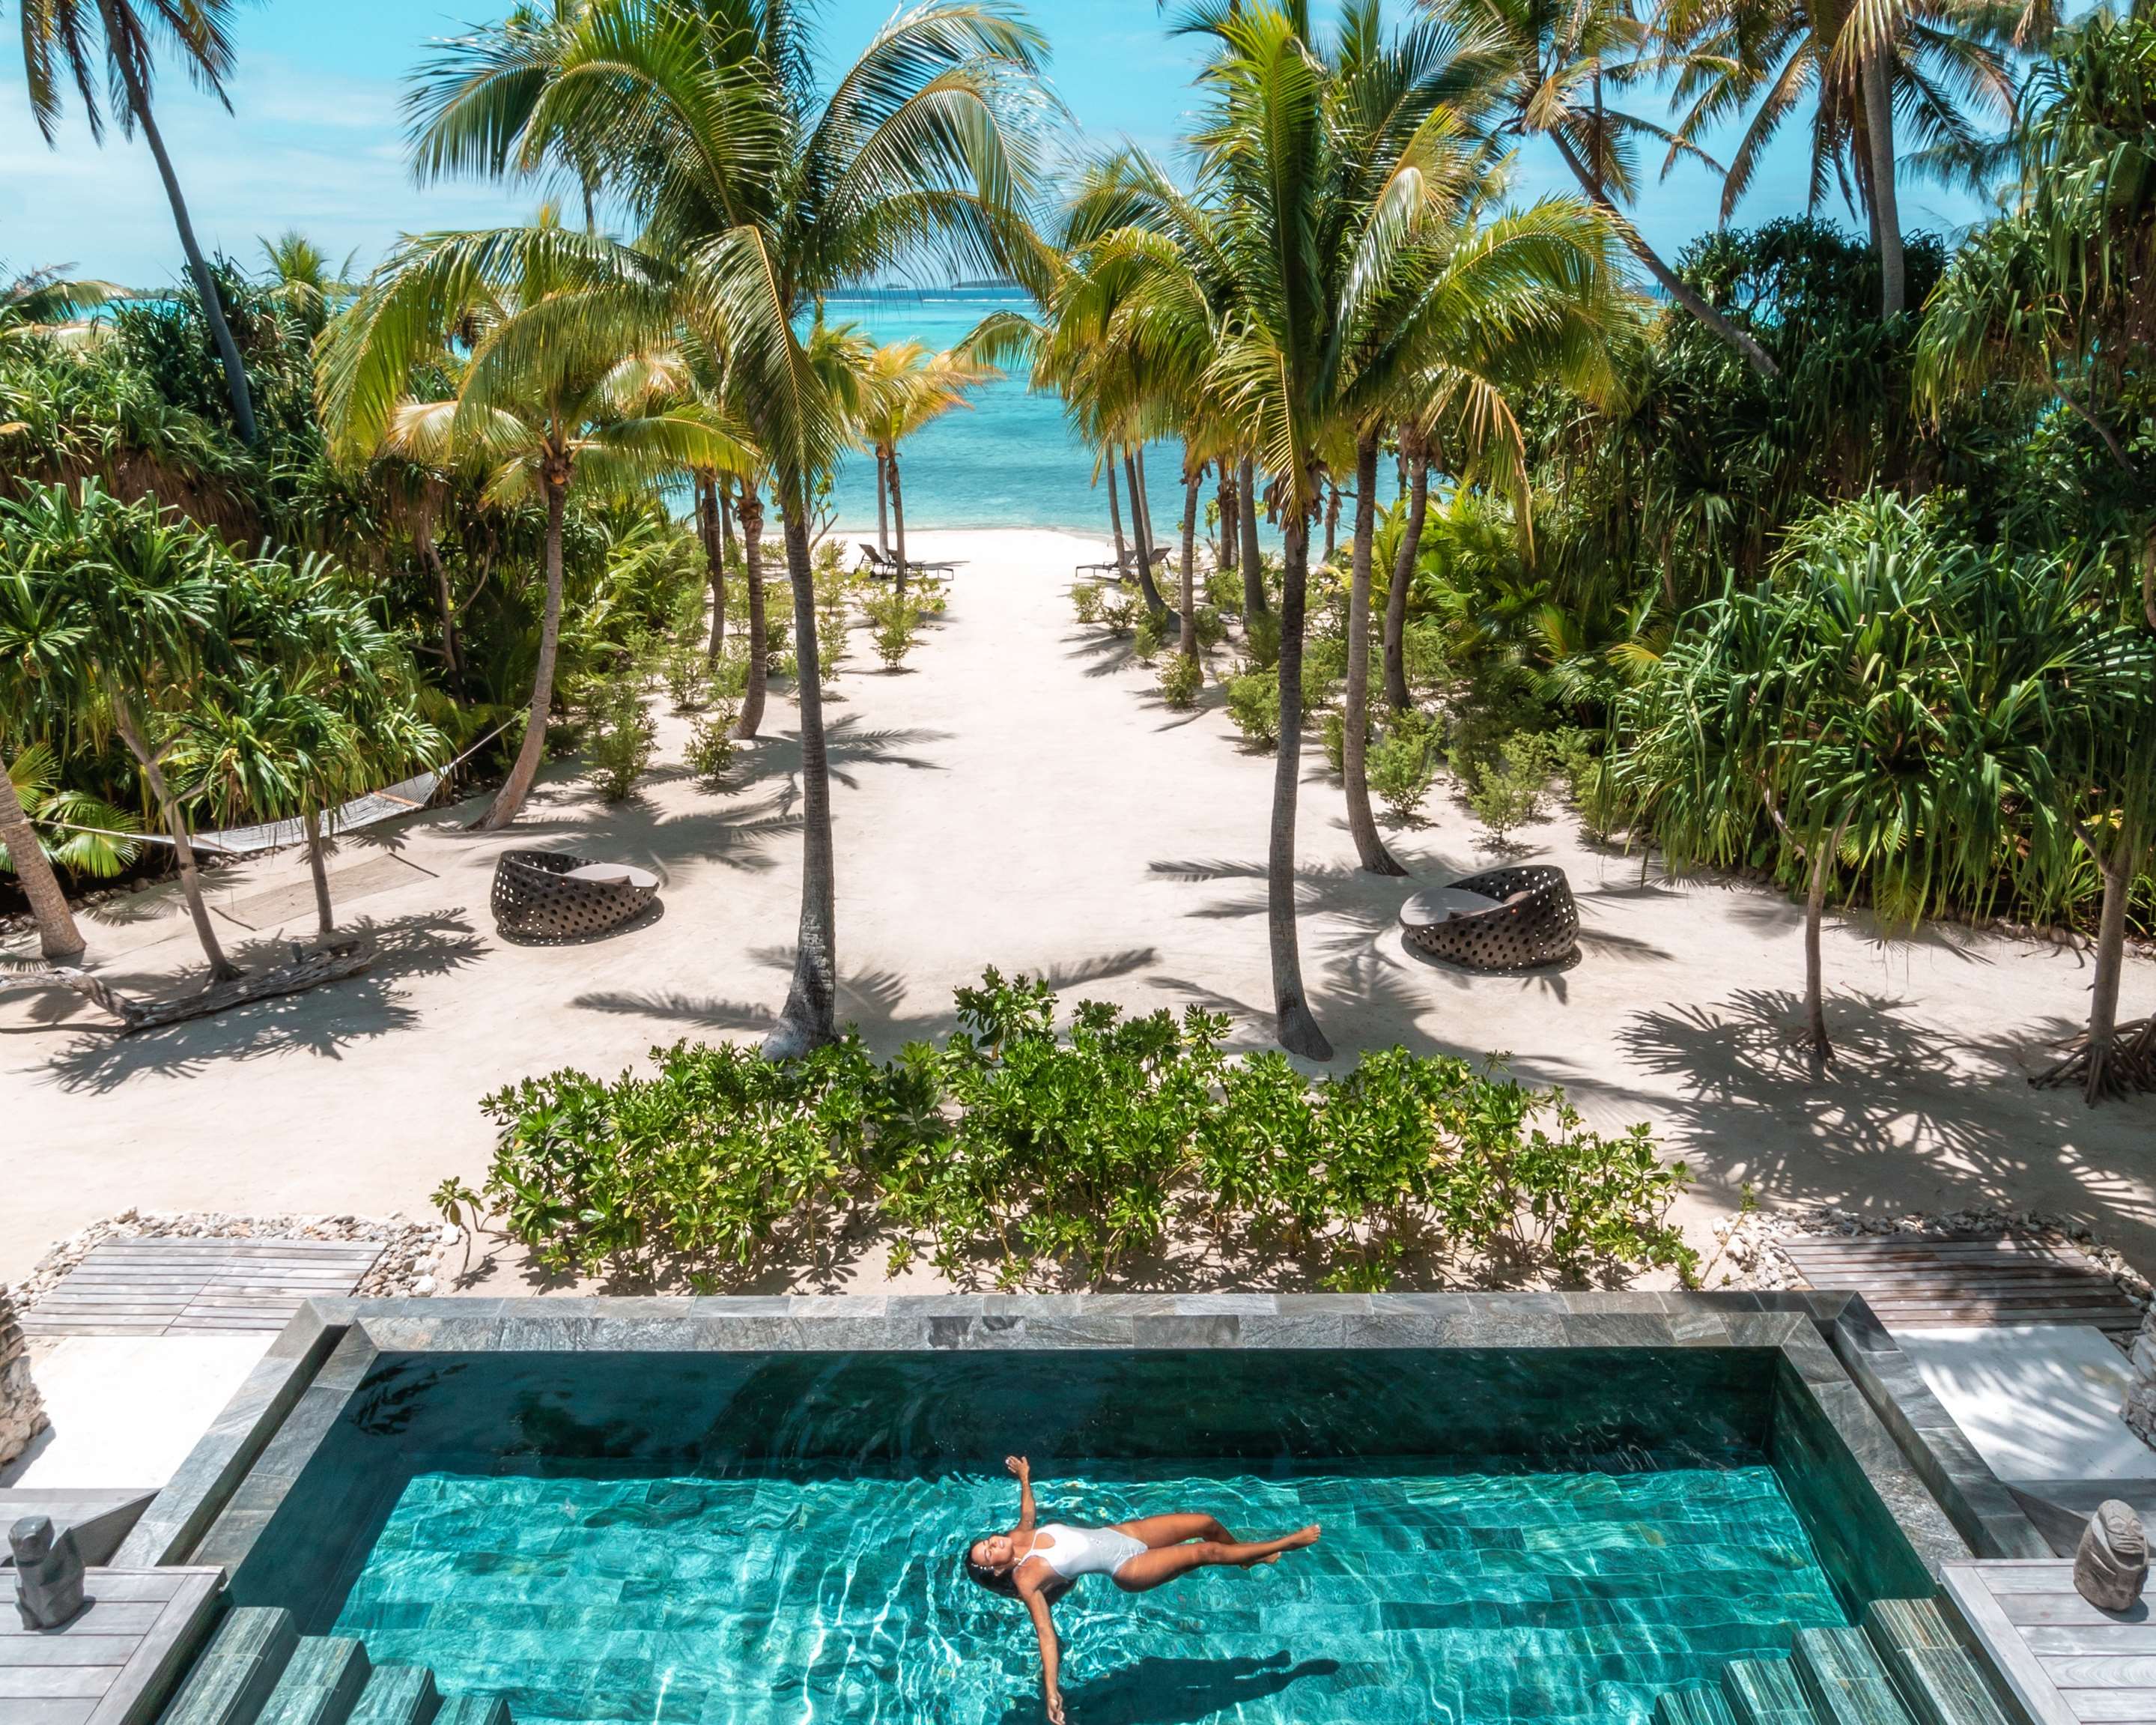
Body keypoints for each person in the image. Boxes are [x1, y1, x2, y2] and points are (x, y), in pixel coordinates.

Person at [962, 1456, 1321, 1724]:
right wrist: (1052, 1689)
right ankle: (1286, 1543)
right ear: (997, 1568)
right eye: (989, 1552)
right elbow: (1045, 1635)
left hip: (1126, 1534)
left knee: (1206, 1524)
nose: (993, 1543)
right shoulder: (1027, 1580)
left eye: (986, 1542)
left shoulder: (1016, 1536)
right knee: (1203, 1552)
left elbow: (1028, 1515)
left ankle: (1244, 1559)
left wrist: (1025, 1479)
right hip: (1128, 1569)